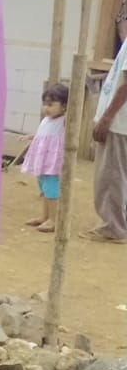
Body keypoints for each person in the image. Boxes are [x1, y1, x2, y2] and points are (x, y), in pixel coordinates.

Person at [85, 37, 127, 243]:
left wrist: (107, 118)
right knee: (117, 174)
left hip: (119, 123)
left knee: (111, 175)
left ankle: (113, 228)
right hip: (120, 123)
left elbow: (126, 85)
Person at [17, 84, 67, 233]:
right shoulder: (46, 120)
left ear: (64, 106)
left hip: (52, 163)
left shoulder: (64, 121)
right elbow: (42, 135)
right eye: (44, 104)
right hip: (42, 162)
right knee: (44, 190)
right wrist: (30, 137)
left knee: (52, 190)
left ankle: (53, 220)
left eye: (51, 105)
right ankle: (45, 216)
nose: (46, 108)